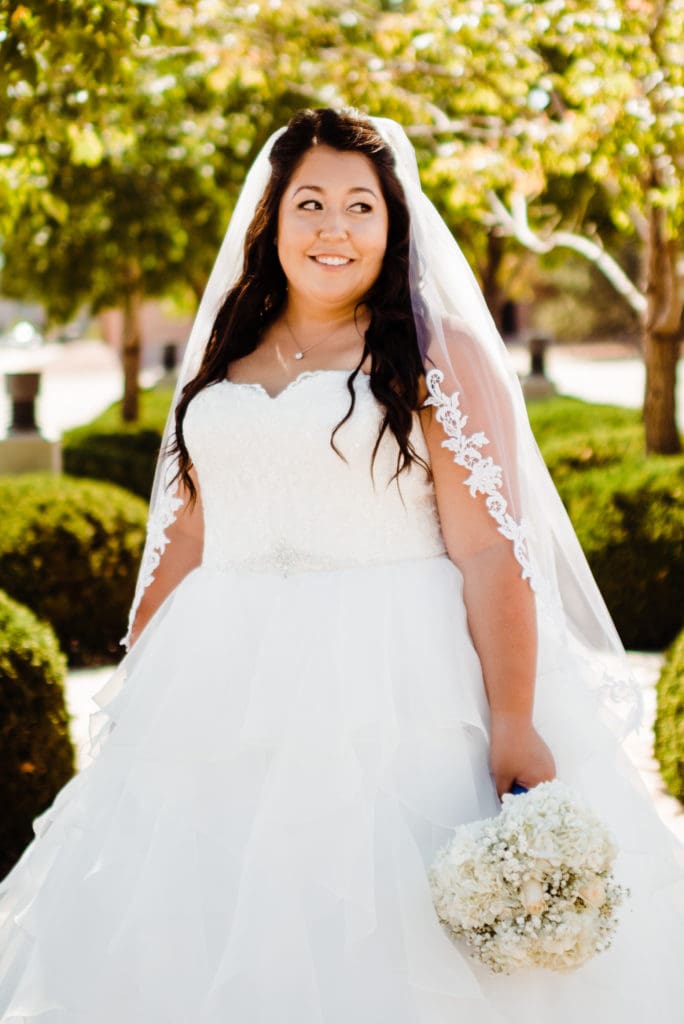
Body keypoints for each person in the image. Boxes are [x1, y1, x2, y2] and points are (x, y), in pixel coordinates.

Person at [1, 107, 683, 1023]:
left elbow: (489, 550)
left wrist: (514, 718)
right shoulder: (224, 354)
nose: (334, 228)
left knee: (387, 937)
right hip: (219, 693)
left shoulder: (439, 354)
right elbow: (192, 535)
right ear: (272, 223)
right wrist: (142, 685)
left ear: (394, 224)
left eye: (361, 206)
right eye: (310, 204)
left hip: (396, 685)